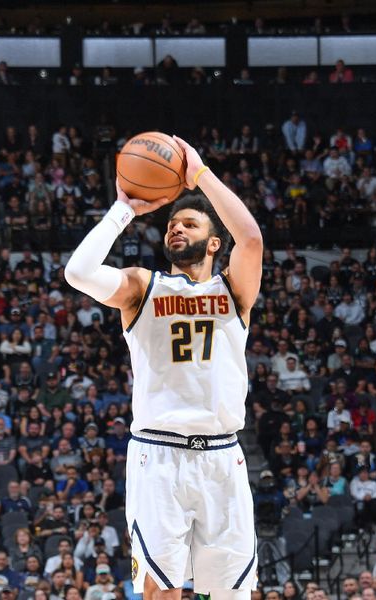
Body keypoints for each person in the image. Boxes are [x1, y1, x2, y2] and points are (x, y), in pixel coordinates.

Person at [65, 135, 262, 597]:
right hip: (159, 453)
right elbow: (78, 272)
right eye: (172, 224)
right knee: (160, 591)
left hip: (221, 455)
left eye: (189, 223)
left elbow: (250, 237)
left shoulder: (233, 291)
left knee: (232, 594)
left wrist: (199, 176)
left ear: (215, 242)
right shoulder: (141, 287)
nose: (175, 229)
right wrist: (124, 210)